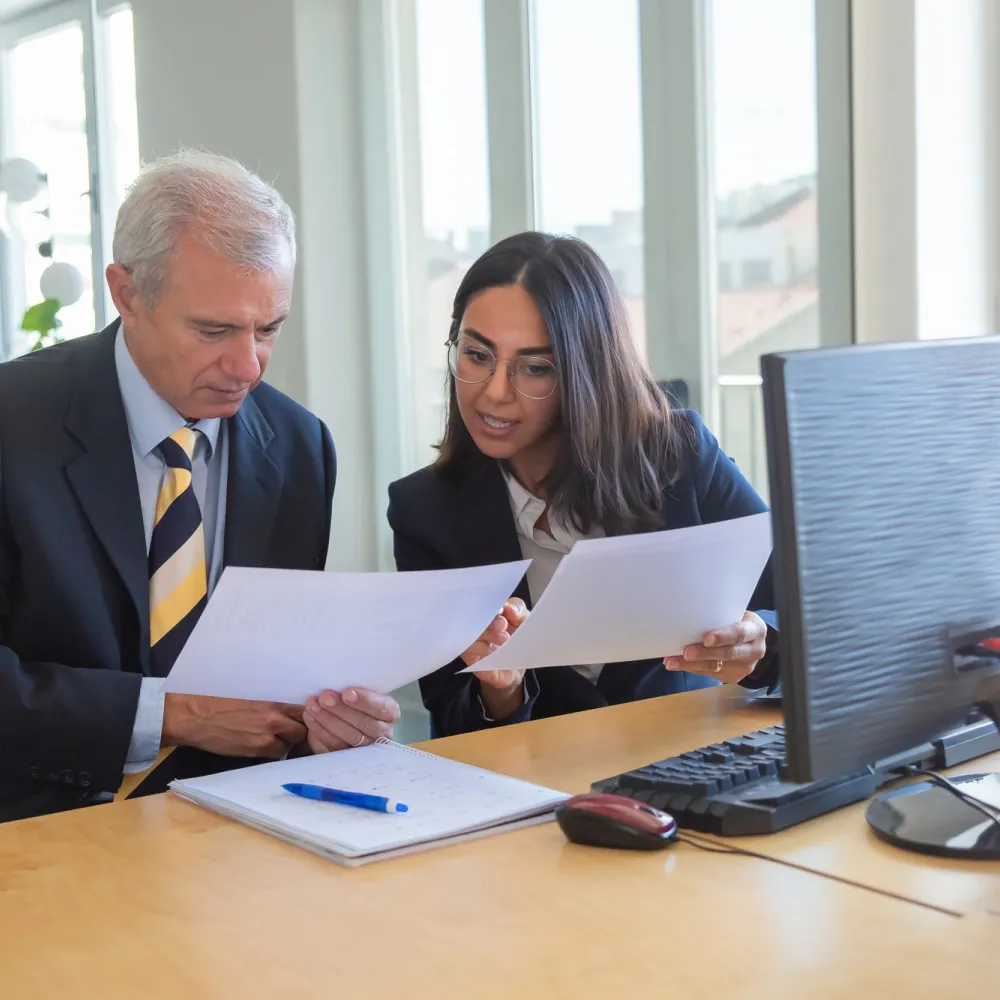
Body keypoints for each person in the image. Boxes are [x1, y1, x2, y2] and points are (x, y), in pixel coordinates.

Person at [0, 151, 397, 822]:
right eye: (214, 330)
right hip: (37, 827)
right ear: (126, 293)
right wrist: (171, 715)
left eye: (269, 329)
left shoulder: (301, 447)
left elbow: (275, 670)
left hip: (237, 828)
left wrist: (323, 723)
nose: (247, 366)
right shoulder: (14, 422)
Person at [384, 231, 777, 737]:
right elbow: (450, 715)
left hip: (690, 769)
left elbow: (804, 610)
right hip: (533, 792)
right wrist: (501, 691)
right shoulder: (425, 510)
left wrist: (758, 642)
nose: (494, 394)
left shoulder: (680, 455)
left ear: (585, 370)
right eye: (477, 355)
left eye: (536, 368)